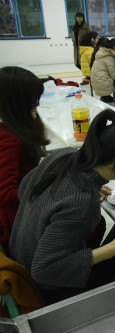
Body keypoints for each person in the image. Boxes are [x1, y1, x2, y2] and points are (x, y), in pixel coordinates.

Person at [9, 110, 115, 305]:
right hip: (47, 287)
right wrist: (112, 249)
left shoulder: (63, 155)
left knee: (109, 227)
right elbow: (44, 271)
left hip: (19, 254)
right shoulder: (81, 203)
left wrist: (87, 191)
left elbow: (24, 190)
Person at [0, 67, 50, 254]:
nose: (36, 107)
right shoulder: (9, 140)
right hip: (16, 225)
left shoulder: (10, 129)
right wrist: (50, 190)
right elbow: (5, 195)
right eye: (33, 102)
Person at [91, 38, 115, 103]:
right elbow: (113, 73)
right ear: (114, 48)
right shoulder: (108, 56)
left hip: (96, 81)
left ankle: (105, 97)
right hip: (102, 82)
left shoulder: (101, 53)